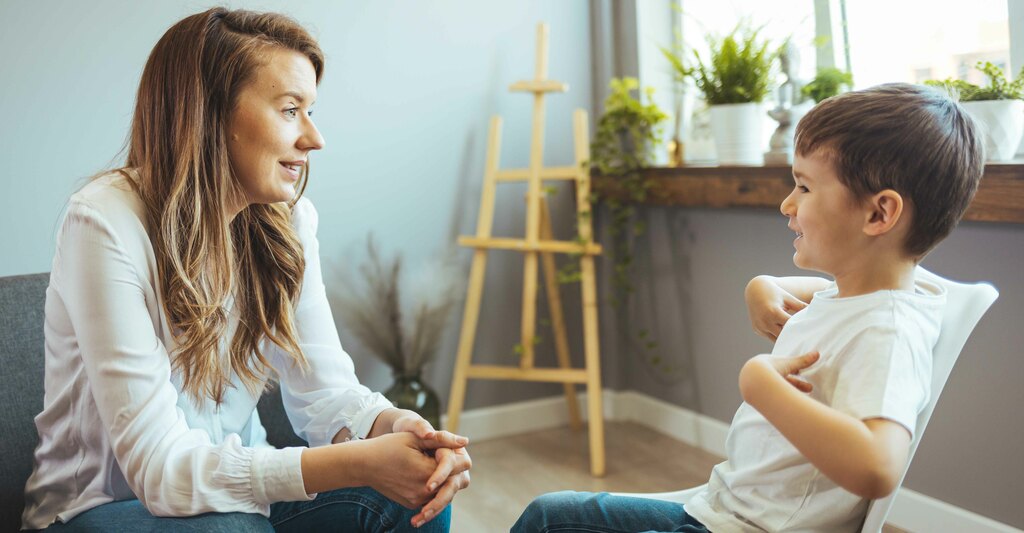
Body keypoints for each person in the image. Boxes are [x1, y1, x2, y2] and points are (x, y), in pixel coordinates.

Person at [21, 8, 470, 532]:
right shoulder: (103, 223)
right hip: (98, 507)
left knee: (415, 498)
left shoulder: (288, 222)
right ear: (209, 115)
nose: (314, 138)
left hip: (241, 497)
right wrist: (356, 462)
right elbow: (159, 471)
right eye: (289, 110)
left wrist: (394, 427)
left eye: (311, 110)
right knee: (231, 528)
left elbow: (324, 392)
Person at [513, 82, 984, 532]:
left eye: (804, 187)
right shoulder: (859, 294)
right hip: (720, 511)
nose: (786, 204)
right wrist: (761, 286)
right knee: (548, 515)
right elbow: (814, 295)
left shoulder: (888, 332)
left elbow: (878, 468)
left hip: (754, 528)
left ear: (879, 214)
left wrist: (760, 384)